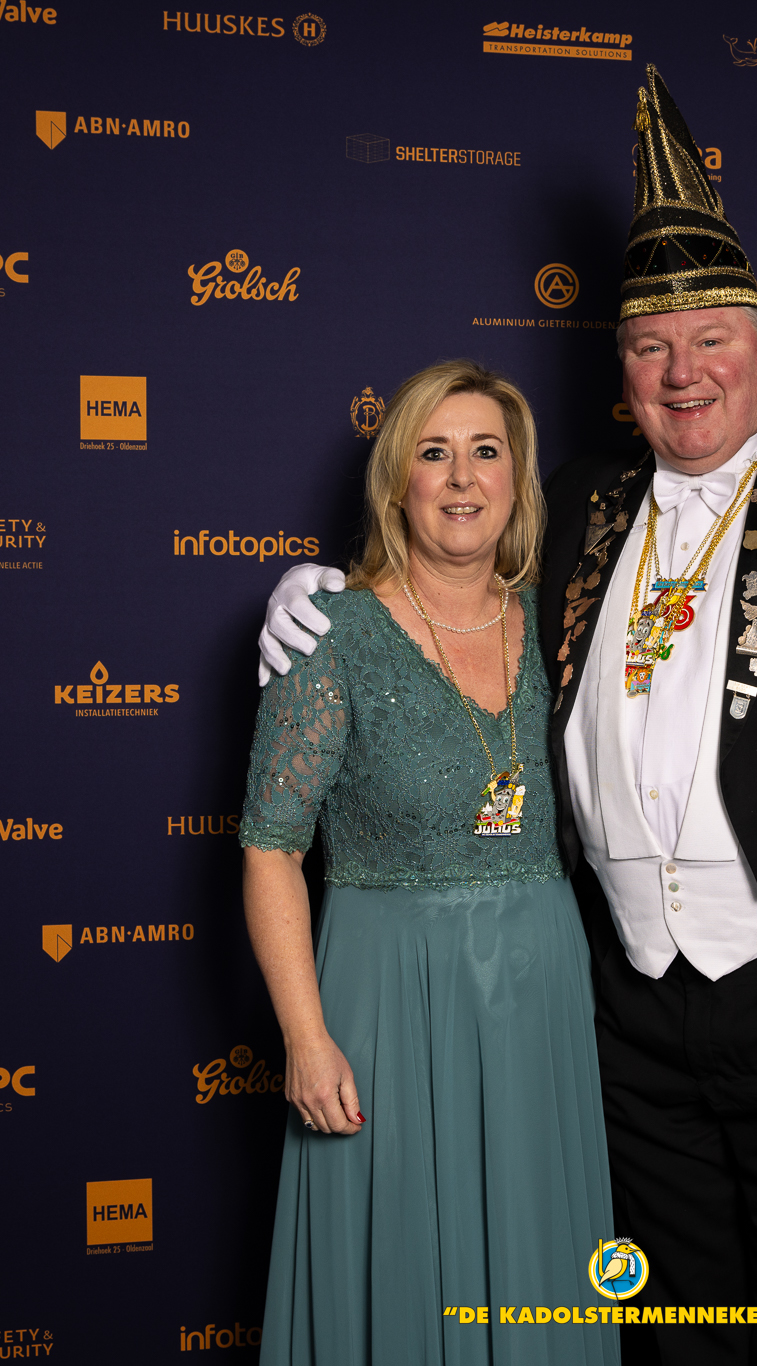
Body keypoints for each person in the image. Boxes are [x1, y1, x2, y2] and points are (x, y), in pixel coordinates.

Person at [258, 69, 757, 1364]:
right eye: (652, 348)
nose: (682, 371)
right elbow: (451, 579)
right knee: (674, 1323)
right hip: (621, 1006)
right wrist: (321, 589)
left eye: (712, 339)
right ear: (622, 372)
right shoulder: (580, 504)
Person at [239, 360, 617, 1365]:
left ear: (516, 477)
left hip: (540, 993)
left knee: (536, 1250)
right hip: (386, 996)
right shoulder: (331, 636)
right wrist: (305, 1039)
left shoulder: (560, 619)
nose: (460, 478)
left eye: (485, 451)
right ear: (395, 481)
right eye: (433, 452)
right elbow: (271, 849)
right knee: (401, 1258)